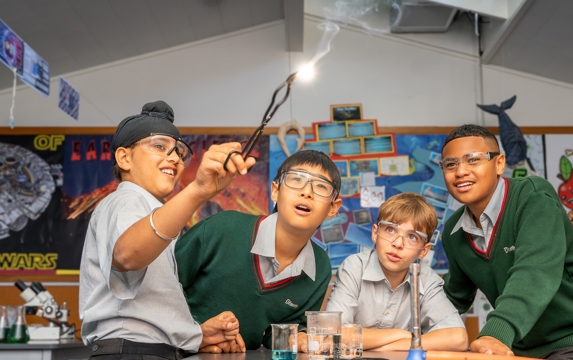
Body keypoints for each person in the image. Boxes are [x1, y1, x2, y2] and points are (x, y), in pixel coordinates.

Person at [79, 100, 254, 358]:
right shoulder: (128, 199)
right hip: (130, 351)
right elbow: (128, 255)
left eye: (178, 152)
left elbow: (153, 307)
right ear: (124, 158)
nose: (174, 157)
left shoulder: (156, 214)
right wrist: (198, 191)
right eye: (159, 146)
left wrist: (198, 335)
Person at [440, 124, 573, 359]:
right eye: (450, 164)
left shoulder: (534, 197)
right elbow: (454, 296)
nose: (461, 171)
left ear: (499, 164)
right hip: (521, 346)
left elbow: (535, 272)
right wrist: (404, 327)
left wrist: (496, 334)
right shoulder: (453, 232)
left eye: (473, 160)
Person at [175, 150, 343, 352]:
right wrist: (195, 335)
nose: (307, 192)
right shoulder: (223, 228)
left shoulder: (320, 265)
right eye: (296, 180)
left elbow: (279, 331)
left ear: (333, 208)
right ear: (275, 191)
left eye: (321, 186)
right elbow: (160, 288)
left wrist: (296, 339)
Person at [326, 192, 468, 351]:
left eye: (412, 237)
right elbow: (333, 334)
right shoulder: (354, 267)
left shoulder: (427, 279)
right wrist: (401, 335)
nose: (398, 243)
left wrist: (386, 347)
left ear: (423, 250)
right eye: (390, 230)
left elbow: (458, 338)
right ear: (375, 233)